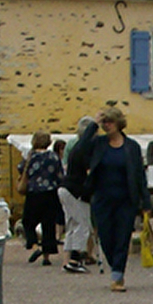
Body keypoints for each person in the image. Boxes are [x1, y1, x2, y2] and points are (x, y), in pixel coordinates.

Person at [84, 106, 150, 293]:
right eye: (105, 122)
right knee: (106, 237)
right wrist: (93, 125)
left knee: (122, 237)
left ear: (119, 123)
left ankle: (117, 274)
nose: (107, 125)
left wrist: (146, 202)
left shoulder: (132, 147)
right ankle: (116, 266)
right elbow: (80, 150)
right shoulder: (98, 144)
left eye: (110, 122)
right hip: (102, 199)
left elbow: (139, 176)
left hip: (126, 200)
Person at [58, 116, 97, 273]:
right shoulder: (84, 150)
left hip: (65, 189)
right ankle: (76, 258)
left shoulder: (74, 146)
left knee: (73, 225)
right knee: (83, 224)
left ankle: (68, 260)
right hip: (76, 191)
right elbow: (90, 173)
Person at [20, 131, 64, 266]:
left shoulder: (30, 157)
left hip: (34, 193)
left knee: (28, 222)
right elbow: (60, 175)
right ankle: (46, 257)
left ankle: (34, 246)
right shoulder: (54, 157)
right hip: (51, 193)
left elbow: (21, 169)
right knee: (48, 224)